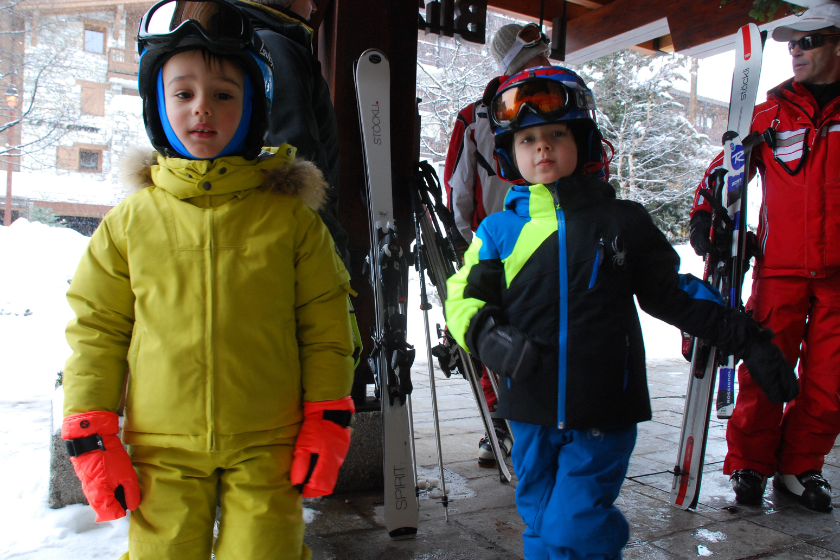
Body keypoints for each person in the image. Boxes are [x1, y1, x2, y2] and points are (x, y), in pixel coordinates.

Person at [445, 66, 798, 560]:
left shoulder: (622, 221)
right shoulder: (500, 232)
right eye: (527, 140)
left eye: (555, 135)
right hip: (529, 409)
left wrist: (749, 339)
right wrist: (485, 334)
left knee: (576, 522)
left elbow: (673, 293)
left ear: (584, 142)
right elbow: (461, 297)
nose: (541, 148)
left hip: (605, 406)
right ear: (510, 153)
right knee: (541, 517)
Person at [59, 1, 355, 557]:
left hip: (268, 440)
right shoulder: (130, 222)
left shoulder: (290, 220)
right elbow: (97, 330)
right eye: (184, 93)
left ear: (253, 106)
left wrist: (327, 415)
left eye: (224, 94)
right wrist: (92, 430)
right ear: (158, 104)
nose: (203, 109)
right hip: (162, 447)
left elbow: (326, 326)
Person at [689, 1, 840, 512]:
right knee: (762, 366)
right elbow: (723, 168)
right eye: (792, 43)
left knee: (830, 380)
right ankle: (750, 462)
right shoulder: (773, 112)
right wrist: (707, 214)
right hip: (781, 270)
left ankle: (801, 467)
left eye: (808, 41)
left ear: (838, 43)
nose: (795, 51)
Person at [443, 22, 551, 468]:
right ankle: (501, 420)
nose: (543, 65)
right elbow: (459, 189)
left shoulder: (555, 101)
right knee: (492, 329)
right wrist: (474, 241)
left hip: (540, 239)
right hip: (501, 242)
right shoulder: (474, 119)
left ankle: (522, 419)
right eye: (533, 59)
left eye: (543, 56)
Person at [234, 0, 349, 268]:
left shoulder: (253, 42)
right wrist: (331, 242)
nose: (312, 6)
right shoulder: (275, 47)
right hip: (298, 237)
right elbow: (297, 154)